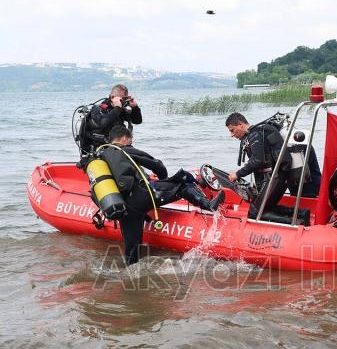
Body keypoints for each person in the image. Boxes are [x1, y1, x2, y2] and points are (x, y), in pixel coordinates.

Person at [99, 125, 223, 265]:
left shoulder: (101, 155)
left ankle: (130, 277)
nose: (131, 143)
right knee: (182, 183)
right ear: (123, 139)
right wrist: (162, 175)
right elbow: (158, 167)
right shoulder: (125, 150)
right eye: (130, 140)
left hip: (123, 206)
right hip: (140, 197)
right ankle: (208, 205)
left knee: (132, 251)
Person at [225, 112, 298, 223]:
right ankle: (303, 214)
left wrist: (237, 174)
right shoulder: (257, 133)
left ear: (240, 125)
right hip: (279, 177)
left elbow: (258, 161)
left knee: (254, 213)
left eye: (232, 130)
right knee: (267, 208)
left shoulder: (255, 134)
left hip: (275, 177)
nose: (232, 135)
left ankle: (296, 224)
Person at [78, 84, 143, 154]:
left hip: (117, 147)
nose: (123, 102)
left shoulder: (120, 110)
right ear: (112, 97)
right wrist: (117, 107)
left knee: (140, 155)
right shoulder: (97, 109)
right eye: (122, 99)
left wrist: (135, 107)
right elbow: (103, 123)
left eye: (125, 99)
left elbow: (137, 121)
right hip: (100, 149)